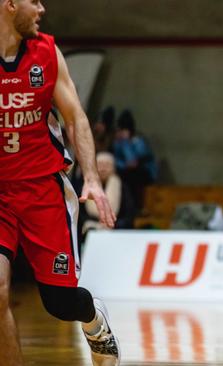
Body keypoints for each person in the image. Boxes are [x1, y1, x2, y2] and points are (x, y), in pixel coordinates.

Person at [0, 1, 120, 365]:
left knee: (61, 303)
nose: (42, 8)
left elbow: (75, 119)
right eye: (33, 1)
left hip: (43, 189)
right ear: (9, 5)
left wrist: (94, 181)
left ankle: (94, 321)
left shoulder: (46, 53)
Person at [80, 152, 136, 239]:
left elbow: (129, 213)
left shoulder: (123, 187)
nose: (103, 169)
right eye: (100, 165)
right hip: (90, 229)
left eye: (107, 165)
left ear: (113, 168)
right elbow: (80, 212)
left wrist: (113, 225)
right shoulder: (86, 186)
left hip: (117, 231)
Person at [112, 109, 157, 211]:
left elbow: (132, 162)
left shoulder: (139, 142)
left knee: (131, 176)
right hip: (127, 173)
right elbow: (117, 162)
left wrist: (125, 142)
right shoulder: (117, 143)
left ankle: (135, 209)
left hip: (144, 174)